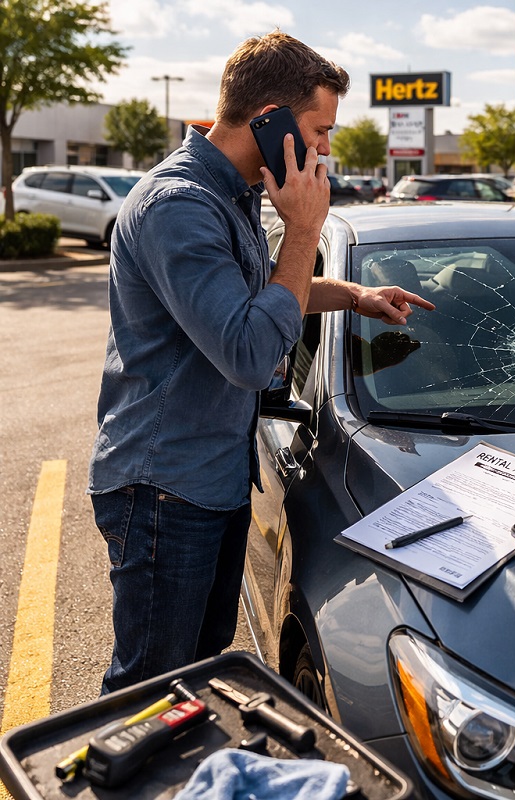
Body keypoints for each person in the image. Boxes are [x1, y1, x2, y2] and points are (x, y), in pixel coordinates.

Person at [87, 31, 435, 694]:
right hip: (164, 488)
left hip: (211, 478)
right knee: (151, 691)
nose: (328, 147)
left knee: (200, 673)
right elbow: (250, 353)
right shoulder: (178, 207)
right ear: (270, 118)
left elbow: (264, 292)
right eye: (321, 129)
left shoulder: (234, 195)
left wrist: (354, 295)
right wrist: (305, 229)